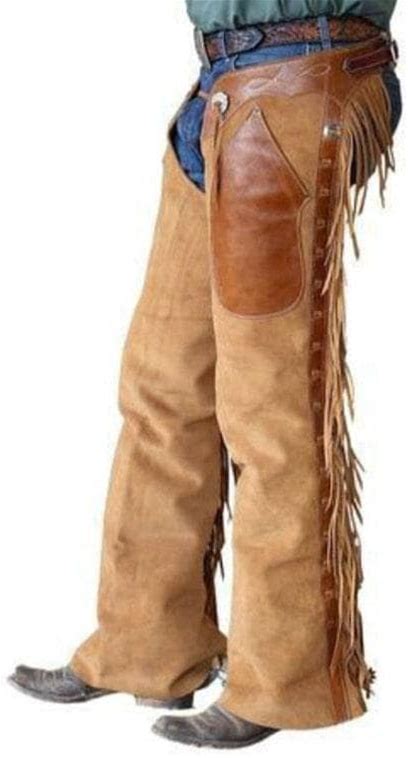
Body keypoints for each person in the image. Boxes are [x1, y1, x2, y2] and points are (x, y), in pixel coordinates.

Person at [9, 0, 402, 749]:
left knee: (271, 405)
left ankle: (287, 682)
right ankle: (145, 645)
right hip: (220, 83)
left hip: (299, 77)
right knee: (161, 385)